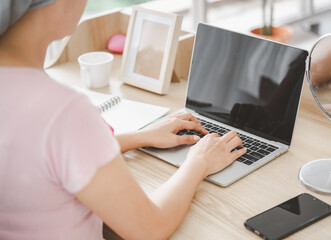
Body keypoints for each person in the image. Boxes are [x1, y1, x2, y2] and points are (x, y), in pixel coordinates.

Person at [0, 0, 246, 239]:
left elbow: (40, 156)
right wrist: (198, 162)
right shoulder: (62, 113)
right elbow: (149, 229)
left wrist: (141, 137)